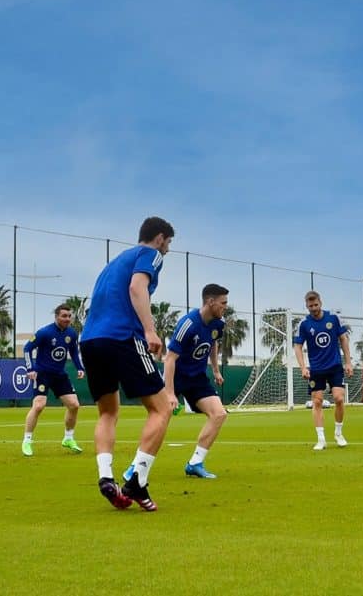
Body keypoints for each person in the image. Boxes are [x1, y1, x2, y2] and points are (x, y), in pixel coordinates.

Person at [79, 217, 176, 511]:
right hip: (121, 337)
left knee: (108, 411)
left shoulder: (115, 261)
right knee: (161, 408)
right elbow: (137, 288)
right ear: (160, 238)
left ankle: (106, 477)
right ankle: (137, 482)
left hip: (90, 340)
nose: (168, 249)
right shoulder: (150, 254)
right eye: (169, 243)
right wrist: (149, 329)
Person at [161, 283, 229, 478]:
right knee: (160, 418)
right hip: (177, 376)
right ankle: (137, 467)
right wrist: (170, 393)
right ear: (210, 302)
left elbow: (213, 342)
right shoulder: (188, 324)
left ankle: (195, 463)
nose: (225, 307)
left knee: (219, 414)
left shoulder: (218, 323)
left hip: (198, 378)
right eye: (223, 303)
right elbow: (170, 359)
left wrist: (215, 370)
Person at [22, 303, 86, 456]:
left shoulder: (72, 333)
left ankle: (68, 438)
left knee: (74, 405)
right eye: (64, 316)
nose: (67, 319)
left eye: (69, 316)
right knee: (38, 406)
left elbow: (74, 353)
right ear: (56, 316)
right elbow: (27, 348)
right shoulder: (44, 332)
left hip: (59, 375)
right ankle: (27, 441)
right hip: (42, 374)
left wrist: (79, 367)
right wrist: (30, 369)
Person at [293, 291, 353, 450]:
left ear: (321, 302)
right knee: (317, 401)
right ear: (306, 306)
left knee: (339, 398)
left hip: (334, 366)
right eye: (310, 306)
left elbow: (343, 339)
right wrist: (303, 367)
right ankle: (321, 439)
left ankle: (338, 433)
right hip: (316, 368)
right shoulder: (304, 324)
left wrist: (348, 362)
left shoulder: (333, 318)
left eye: (316, 305)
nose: (313, 308)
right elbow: (297, 346)